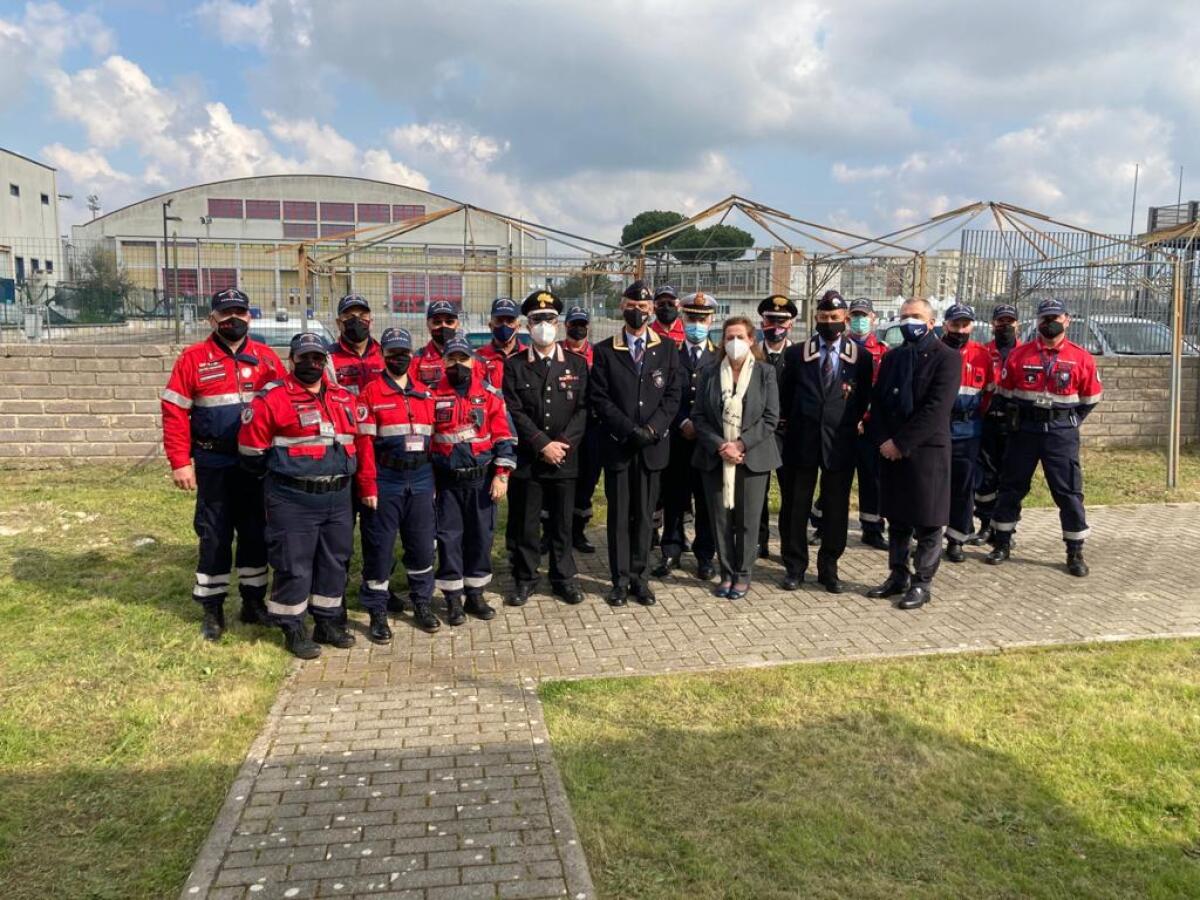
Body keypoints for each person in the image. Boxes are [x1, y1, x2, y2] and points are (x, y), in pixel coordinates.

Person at [237, 332, 376, 658]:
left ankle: (327, 622)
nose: (311, 363)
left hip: (338, 497)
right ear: (292, 360)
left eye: (317, 358)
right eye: (304, 357)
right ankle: (292, 627)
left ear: (324, 361)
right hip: (292, 498)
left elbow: (360, 442)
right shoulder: (272, 399)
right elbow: (250, 452)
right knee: (293, 564)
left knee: (334, 562)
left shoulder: (343, 397)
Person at [162, 287, 286, 640]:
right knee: (214, 535)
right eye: (225, 313)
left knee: (255, 533)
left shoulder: (266, 358)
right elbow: (174, 413)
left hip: (256, 463)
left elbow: (282, 407)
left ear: (250, 316)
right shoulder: (193, 359)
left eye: (240, 312)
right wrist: (179, 462)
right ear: (212, 319)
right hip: (213, 461)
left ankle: (253, 603)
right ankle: (213, 608)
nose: (233, 319)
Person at [985, 298, 1101, 576]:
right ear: (1036, 321)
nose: (1050, 323)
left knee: (1068, 492)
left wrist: (1068, 421)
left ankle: (1075, 552)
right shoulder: (1019, 355)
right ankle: (1002, 542)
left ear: (1067, 320)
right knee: (1011, 487)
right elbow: (1005, 392)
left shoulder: (1081, 357)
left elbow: (1090, 397)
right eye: (1044, 318)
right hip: (1024, 431)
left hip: (1060, 435)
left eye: (1055, 318)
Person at [590, 279, 682, 606]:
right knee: (619, 517)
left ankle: (640, 579)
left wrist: (653, 430)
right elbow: (599, 398)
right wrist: (630, 430)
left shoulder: (668, 349)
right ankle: (619, 580)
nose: (637, 311)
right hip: (619, 445)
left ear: (652, 309)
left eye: (643, 307)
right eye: (632, 305)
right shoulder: (603, 350)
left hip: (652, 448)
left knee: (644, 516)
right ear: (621, 306)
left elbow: (673, 396)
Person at [866, 298, 960, 610]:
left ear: (932, 322)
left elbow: (935, 409)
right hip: (891, 450)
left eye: (916, 316)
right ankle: (897, 575)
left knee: (929, 521)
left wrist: (901, 443)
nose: (909, 322)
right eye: (904, 316)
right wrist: (882, 440)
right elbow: (878, 402)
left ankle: (922, 582)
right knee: (897, 517)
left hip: (926, 451)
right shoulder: (894, 357)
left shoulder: (947, 358)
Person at [778, 290, 873, 593]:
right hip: (802, 441)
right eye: (823, 317)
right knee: (796, 506)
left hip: (840, 444)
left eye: (835, 318)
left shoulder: (861, 357)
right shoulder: (796, 354)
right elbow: (786, 396)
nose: (829, 323)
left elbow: (863, 400)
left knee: (835, 508)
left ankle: (828, 567)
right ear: (815, 318)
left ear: (845, 319)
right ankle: (795, 567)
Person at [502, 290, 589, 606]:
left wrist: (561, 445)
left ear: (559, 323)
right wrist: (541, 444)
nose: (543, 325)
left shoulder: (577, 365)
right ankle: (525, 579)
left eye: (549, 319)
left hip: (565, 458)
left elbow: (583, 409)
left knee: (562, 524)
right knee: (526, 524)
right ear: (527, 325)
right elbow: (514, 410)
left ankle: (563, 578)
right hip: (531, 459)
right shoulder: (514, 365)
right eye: (537, 320)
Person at [356, 327, 440, 639]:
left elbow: (436, 444)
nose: (398, 358)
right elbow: (363, 445)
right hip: (386, 478)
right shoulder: (370, 394)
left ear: (411, 354)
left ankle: (422, 602)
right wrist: (367, 486)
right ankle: (377, 610)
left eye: (404, 353)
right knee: (380, 549)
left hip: (420, 478)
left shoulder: (425, 394)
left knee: (421, 546)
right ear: (383, 356)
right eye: (392, 353)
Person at [691, 316, 782, 599]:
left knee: (747, 520)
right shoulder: (708, 372)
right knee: (720, 520)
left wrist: (741, 445)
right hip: (715, 457)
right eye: (729, 337)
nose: (734, 342)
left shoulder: (765, 373)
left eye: (740, 337)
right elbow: (699, 416)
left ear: (752, 340)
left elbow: (770, 418)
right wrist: (721, 445)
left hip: (752, 459)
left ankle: (743, 574)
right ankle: (726, 572)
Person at [429, 331, 517, 623]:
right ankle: (453, 598)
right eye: (452, 358)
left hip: (481, 481)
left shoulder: (491, 395)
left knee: (481, 538)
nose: (458, 364)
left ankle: (475, 594)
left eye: (463, 358)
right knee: (449, 538)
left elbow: (505, 437)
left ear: (473, 360)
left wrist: (501, 475)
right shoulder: (431, 395)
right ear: (443, 361)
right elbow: (427, 441)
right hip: (447, 483)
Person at [654, 291, 718, 580]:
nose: (697, 323)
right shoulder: (669, 353)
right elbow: (664, 395)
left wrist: (700, 426)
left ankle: (705, 555)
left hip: (706, 443)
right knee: (674, 498)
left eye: (702, 318)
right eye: (692, 317)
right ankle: (671, 549)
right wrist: (681, 422)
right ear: (683, 318)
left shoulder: (720, 357)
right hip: (677, 439)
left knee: (705, 501)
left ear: (712, 320)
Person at [941, 304, 993, 562]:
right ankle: (925, 535)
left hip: (967, 431)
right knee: (932, 486)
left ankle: (956, 539)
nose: (960, 330)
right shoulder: (933, 351)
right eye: (955, 324)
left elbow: (988, 395)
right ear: (945, 325)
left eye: (965, 325)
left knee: (963, 488)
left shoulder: (982, 355)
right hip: (936, 430)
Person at [973, 303, 1022, 543]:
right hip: (988, 423)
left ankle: (1007, 528)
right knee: (985, 478)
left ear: (1017, 324)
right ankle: (985, 524)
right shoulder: (983, 352)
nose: (1005, 326)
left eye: (1009, 321)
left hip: (1016, 426)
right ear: (993, 324)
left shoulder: (1026, 353)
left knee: (1011, 478)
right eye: (1000, 321)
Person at [756, 294, 797, 560]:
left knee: (790, 494)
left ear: (791, 324)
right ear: (762, 322)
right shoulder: (752, 354)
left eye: (782, 321)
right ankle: (759, 542)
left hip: (788, 432)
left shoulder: (799, 356)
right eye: (771, 320)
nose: (776, 327)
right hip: (758, 433)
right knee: (757, 492)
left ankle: (789, 546)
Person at [846, 297, 889, 550]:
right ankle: (821, 523)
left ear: (873, 318)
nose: (860, 321)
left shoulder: (883, 352)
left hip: (871, 426)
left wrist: (864, 418)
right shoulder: (840, 347)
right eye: (855, 316)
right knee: (837, 475)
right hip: (843, 424)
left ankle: (872, 528)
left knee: (872, 478)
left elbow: (881, 391)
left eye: (864, 316)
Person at [563, 306, 600, 554]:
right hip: (562, 428)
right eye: (573, 324)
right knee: (558, 483)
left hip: (592, 429)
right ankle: (554, 533)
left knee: (586, 481)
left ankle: (578, 531)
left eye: (582, 324)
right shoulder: (556, 351)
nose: (578, 329)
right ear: (565, 326)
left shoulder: (598, 354)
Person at [327, 293, 384, 395]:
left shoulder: (383, 355)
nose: (356, 320)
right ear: (338, 323)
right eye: (349, 317)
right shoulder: (328, 358)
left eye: (362, 316)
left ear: (371, 322)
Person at [477, 297, 526, 388]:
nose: (504, 325)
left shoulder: (529, 356)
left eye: (510, 321)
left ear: (518, 326)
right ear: (491, 326)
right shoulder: (479, 357)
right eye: (499, 321)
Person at [415, 299, 463, 387]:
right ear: (428, 324)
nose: (443, 325)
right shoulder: (416, 360)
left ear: (457, 324)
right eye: (437, 322)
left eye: (449, 322)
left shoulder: (471, 359)